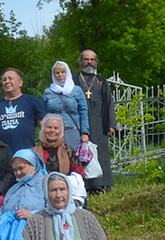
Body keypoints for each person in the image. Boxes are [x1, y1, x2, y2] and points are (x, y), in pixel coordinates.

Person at [73, 50, 117, 193]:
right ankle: (86, 185)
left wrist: (112, 124)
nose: (89, 62)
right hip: (80, 123)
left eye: (92, 59)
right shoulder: (74, 80)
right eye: (86, 59)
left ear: (96, 62)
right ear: (81, 61)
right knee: (82, 153)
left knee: (102, 152)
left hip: (99, 122)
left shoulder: (102, 81)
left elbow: (109, 103)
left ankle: (104, 183)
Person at [0, 68, 47, 153]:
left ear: (20, 83)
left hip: (26, 155)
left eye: (10, 78)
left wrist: (41, 148)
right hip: (1, 156)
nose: (7, 81)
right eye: (4, 80)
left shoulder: (32, 101)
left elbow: (44, 126)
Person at [42, 61, 90, 151]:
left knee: (73, 161)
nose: (60, 75)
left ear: (67, 73)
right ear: (54, 75)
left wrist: (85, 133)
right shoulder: (48, 92)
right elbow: (43, 114)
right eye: (57, 73)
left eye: (63, 72)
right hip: (53, 133)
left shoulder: (77, 90)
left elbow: (83, 112)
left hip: (72, 130)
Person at [34, 114, 86, 178]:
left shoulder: (68, 151)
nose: (52, 131)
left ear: (61, 131)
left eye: (56, 128)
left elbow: (79, 176)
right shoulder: (33, 151)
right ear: (43, 129)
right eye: (49, 127)